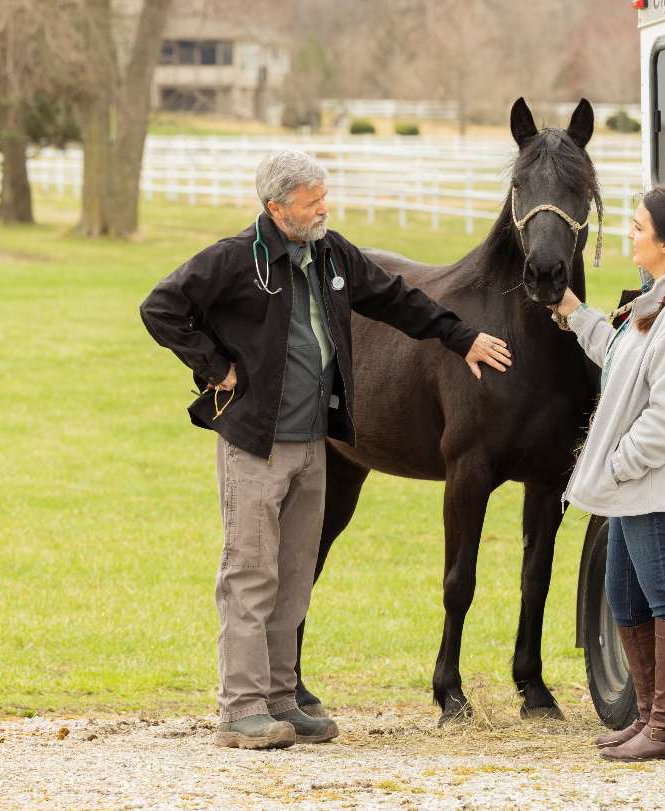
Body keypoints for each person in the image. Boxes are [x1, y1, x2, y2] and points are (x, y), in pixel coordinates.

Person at [139, 150, 513, 750]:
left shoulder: (331, 253)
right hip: (256, 446)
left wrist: (461, 337)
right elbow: (161, 307)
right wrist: (215, 367)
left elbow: (396, 299)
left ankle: (284, 699)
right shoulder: (237, 259)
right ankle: (240, 709)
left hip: (315, 439)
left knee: (293, 576)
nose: (324, 209)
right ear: (276, 208)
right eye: (312, 202)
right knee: (250, 574)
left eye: (324, 198)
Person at [551, 184, 665, 761]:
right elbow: (623, 362)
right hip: (635, 488)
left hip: (656, 486)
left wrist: (619, 464)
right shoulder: (659, 301)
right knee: (624, 597)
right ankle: (650, 716)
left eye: (637, 227)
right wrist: (575, 314)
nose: (629, 232)